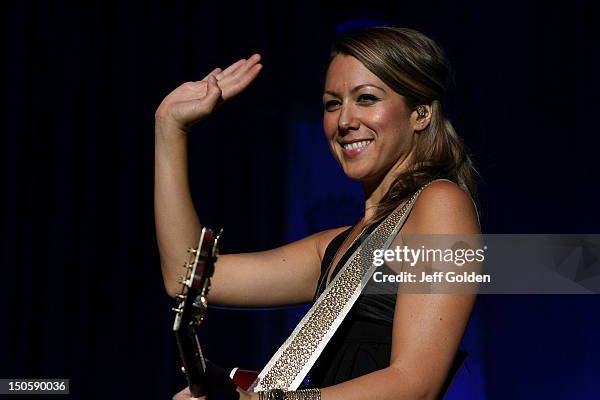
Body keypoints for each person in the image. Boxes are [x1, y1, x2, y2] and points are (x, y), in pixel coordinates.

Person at [155, 27, 481, 400]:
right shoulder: (336, 246)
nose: (344, 121)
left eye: (366, 98)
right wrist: (170, 128)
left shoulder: (440, 203)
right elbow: (187, 276)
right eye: (332, 104)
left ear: (420, 113)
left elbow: (415, 384)